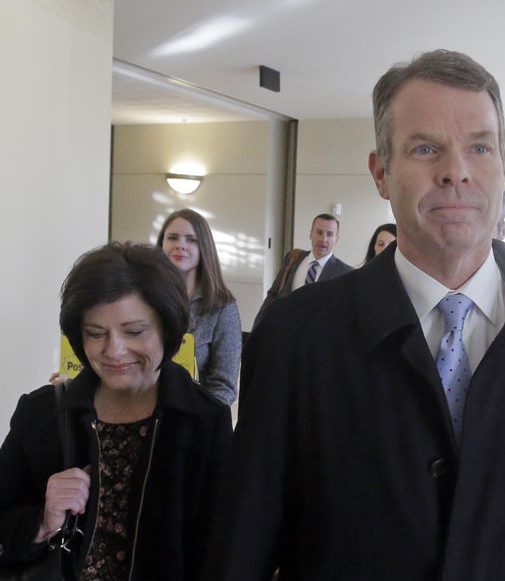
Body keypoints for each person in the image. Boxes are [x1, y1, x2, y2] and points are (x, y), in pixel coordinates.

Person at [202, 49, 505, 580]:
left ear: (503, 166)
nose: (456, 173)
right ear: (381, 173)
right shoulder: (296, 334)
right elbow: (247, 536)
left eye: (479, 148)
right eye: (426, 149)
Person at [0, 242, 232, 580]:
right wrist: (42, 522)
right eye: (95, 334)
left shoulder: (203, 421)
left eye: (134, 331)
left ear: (167, 328)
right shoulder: (42, 413)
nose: (114, 351)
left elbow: (219, 548)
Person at [157, 209, 241, 405]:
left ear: (205, 247)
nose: (180, 246)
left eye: (191, 240)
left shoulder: (223, 308)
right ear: (161, 244)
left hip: (195, 419)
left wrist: (198, 419)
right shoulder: (144, 299)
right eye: (172, 238)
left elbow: (224, 386)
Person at [252, 213, 353, 327]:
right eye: (319, 232)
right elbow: (273, 294)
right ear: (310, 234)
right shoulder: (293, 259)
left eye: (330, 234)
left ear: (336, 239)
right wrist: (258, 325)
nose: (323, 239)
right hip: (283, 332)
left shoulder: (345, 273)